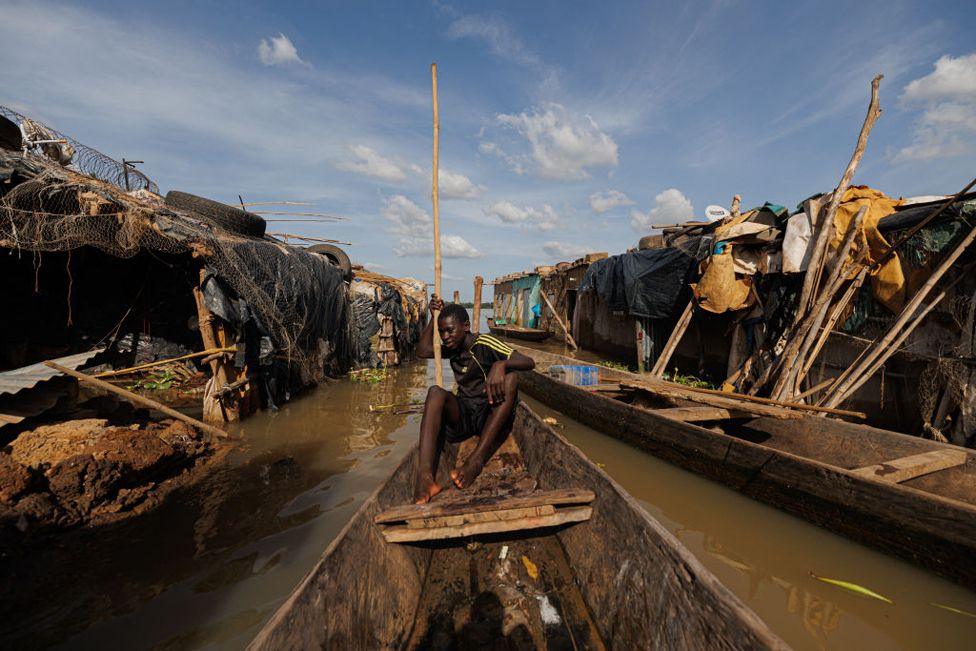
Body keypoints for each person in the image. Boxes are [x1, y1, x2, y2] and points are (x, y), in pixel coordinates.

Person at [413, 294, 536, 504]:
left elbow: (529, 361)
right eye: (442, 332)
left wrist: (501, 365)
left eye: (450, 330)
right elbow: (422, 351)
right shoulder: (453, 348)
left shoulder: (484, 342)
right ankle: (425, 478)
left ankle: (476, 461)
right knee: (435, 392)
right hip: (465, 415)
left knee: (512, 379)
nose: (445, 336)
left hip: (490, 415)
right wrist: (434, 317)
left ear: (466, 326)